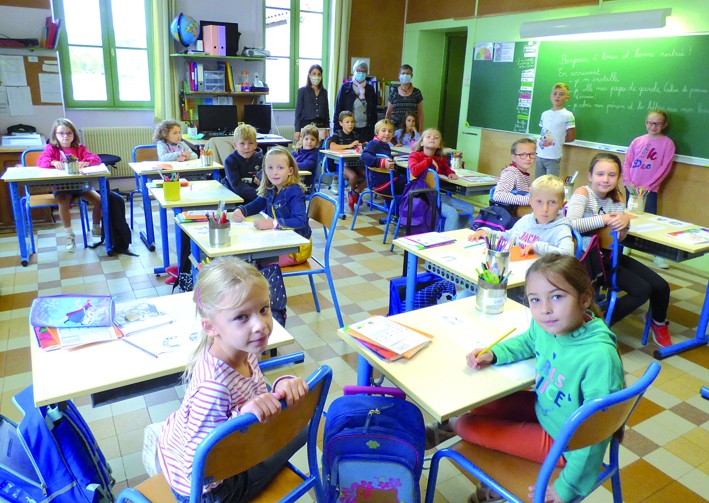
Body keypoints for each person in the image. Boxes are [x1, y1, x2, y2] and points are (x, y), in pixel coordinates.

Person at [456, 254, 625, 503]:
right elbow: (527, 341)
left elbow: (596, 434)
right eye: (535, 300)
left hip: (566, 444)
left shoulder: (598, 357)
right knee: (480, 403)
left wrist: (566, 487)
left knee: (464, 425)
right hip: (546, 409)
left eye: (557, 297)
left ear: (585, 299)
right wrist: (494, 353)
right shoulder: (548, 325)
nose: (545, 309)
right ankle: (493, 481)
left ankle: (498, 485)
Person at [157, 257, 309, 502]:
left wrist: (282, 387)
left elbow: (257, 395)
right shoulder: (213, 388)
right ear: (211, 328)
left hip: (217, 451)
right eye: (241, 317)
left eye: (263, 309)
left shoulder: (244, 351)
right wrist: (242, 421)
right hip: (210, 491)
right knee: (303, 428)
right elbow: (198, 469)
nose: (260, 325)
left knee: (296, 423)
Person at [566, 152, 673, 347]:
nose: (605, 179)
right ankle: (599, 324)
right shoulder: (583, 193)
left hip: (610, 256)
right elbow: (570, 224)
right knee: (641, 290)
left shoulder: (616, 198)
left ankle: (658, 322)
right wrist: (605, 219)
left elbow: (619, 235)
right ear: (590, 176)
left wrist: (624, 225)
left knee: (661, 286)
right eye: (600, 174)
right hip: (589, 261)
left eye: (611, 175)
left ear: (619, 178)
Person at [231, 146, 312, 267]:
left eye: (280, 168)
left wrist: (272, 224)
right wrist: (241, 210)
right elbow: (257, 204)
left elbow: (300, 221)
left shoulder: (294, 191)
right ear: (264, 170)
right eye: (270, 167)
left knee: (254, 263)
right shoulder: (271, 188)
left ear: (290, 171)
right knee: (248, 255)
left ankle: (268, 286)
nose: (275, 172)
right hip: (280, 241)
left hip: (297, 248)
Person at [37, 118, 103, 252]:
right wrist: (53, 162)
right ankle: (69, 234)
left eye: (69, 133)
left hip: (80, 186)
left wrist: (87, 162)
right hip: (62, 187)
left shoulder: (80, 148)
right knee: (63, 204)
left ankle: (96, 226)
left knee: (99, 200)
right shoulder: (52, 148)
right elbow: (41, 161)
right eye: (61, 133)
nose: (65, 136)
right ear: (55, 135)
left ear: (74, 135)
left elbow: (96, 159)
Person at [471, 175, 574, 257]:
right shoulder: (526, 221)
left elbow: (568, 254)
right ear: (530, 202)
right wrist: (487, 233)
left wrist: (537, 247)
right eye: (539, 202)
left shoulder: (561, 229)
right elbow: (508, 237)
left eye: (552, 202)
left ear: (562, 205)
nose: (545, 209)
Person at [623, 109, 676, 269]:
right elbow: (627, 162)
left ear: (664, 124)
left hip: (649, 189)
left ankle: (657, 255)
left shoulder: (667, 143)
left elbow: (664, 168)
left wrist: (649, 185)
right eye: (651, 123)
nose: (654, 126)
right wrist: (627, 181)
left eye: (658, 123)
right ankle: (627, 245)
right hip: (632, 188)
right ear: (646, 123)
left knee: (651, 220)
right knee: (629, 217)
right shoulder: (637, 141)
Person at [408, 128, 474, 231]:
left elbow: (445, 168)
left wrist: (450, 173)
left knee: (470, 208)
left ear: (439, 145)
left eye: (436, 137)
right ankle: (447, 241)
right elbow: (414, 171)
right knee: (452, 213)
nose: (432, 139)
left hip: (437, 196)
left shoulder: (440, 158)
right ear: (421, 142)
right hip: (422, 198)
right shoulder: (415, 156)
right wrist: (428, 160)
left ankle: (454, 232)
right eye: (428, 136)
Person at [326, 111, 365, 210]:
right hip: (342, 164)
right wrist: (349, 145)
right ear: (341, 123)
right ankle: (353, 193)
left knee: (370, 176)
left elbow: (362, 144)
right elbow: (332, 146)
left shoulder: (356, 135)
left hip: (355, 163)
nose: (350, 124)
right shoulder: (337, 134)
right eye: (347, 122)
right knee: (353, 177)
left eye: (352, 122)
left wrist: (362, 145)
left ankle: (354, 193)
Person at [536, 83, 575, 178]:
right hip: (540, 155)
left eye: (561, 94)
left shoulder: (567, 115)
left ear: (567, 98)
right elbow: (543, 132)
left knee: (551, 184)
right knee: (538, 183)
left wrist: (556, 140)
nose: (557, 96)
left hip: (553, 156)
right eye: (555, 94)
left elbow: (571, 137)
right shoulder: (545, 114)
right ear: (550, 97)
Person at [333, 60, 377, 141]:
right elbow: (338, 110)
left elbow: (374, 112)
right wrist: (337, 131)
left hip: (366, 130)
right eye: (358, 71)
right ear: (353, 72)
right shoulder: (345, 88)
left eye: (363, 71)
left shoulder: (370, 89)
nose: (361, 73)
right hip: (349, 129)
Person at [360, 119, 406, 198]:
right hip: (383, 183)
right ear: (377, 132)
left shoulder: (385, 144)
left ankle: (393, 205)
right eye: (383, 130)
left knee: (405, 174)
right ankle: (403, 207)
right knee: (412, 182)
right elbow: (364, 156)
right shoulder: (374, 143)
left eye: (390, 131)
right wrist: (383, 162)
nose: (387, 133)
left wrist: (391, 161)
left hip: (385, 181)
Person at [223, 124, 263, 204]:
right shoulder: (230, 161)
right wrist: (260, 197)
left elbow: (268, 181)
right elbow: (237, 185)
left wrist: (261, 175)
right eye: (242, 143)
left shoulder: (263, 159)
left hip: (256, 200)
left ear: (256, 145)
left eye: (250, 143)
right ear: (235, 145)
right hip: (235, 199)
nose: (246, 147)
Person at [491, 138, 535, 207]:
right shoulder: (511, 173)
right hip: (510, 214)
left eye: (532, 154)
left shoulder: (522, 173)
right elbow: (498, 195)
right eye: (523, 155)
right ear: (513, 157)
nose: (528, 158)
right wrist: (529, 200)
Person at [294, 64, 330, 142]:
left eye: (319, 74)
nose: (316, 76)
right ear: (309, 75)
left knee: (320, 151)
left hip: (321, 127)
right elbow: (298, 112)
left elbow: (326, 112)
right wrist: (297, 130)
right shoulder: (302, 91)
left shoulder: (324, 92)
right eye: (314, 74)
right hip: (306, 127)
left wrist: (328, 129)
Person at [385, 64, 424, 131]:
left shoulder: (417, 93)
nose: (405, 75)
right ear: (399, 75)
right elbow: (388, 113)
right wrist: (386, 129)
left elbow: (420, 114)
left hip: (411, 130)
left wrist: (420, 131)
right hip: (395, 130)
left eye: (407, 73)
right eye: (403, 73)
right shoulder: (393, 92)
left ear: (411, 76)